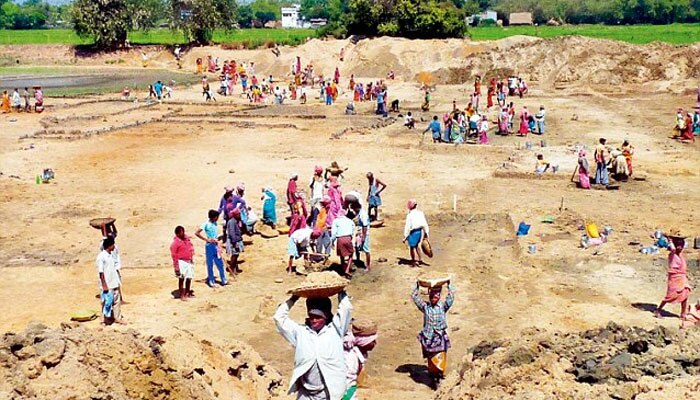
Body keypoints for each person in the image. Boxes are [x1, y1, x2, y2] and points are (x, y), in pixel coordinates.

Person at [274, 291, 352, 400]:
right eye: (311, 316)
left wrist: (340, 292)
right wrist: (293, 299)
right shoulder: (301, 332)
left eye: (318, 317)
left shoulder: (335, 330)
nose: (314, 320)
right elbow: (279, 318)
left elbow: (346, 309)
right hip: (306, 393)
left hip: (329, 392)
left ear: (326, 316)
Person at [412, 281, 455, 387]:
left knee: (441, 356)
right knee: (431, 358)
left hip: (439, 336)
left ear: (439, 297)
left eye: (436, 296)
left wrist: (449, 285)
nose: (433, 298)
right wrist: (417, 286)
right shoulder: (425, 307)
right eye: (431, 296)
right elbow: (414, 297)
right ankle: (433, 376)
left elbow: (451, 297)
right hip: (429, 337)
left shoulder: (442, 307)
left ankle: (439, 375)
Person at [654, 230, 691, 320]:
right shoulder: (672, 254)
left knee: (685, 294)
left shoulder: (680, 255)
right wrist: (670, 240)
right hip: (675, 278)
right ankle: (658, 310)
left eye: (681, 245)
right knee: (670, 296)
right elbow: (673, 248)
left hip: (682, 278)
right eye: (678, 245)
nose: (680, 247)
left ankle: (683, 313)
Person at [343, 320, 378, 400]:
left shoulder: (359, 353)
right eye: (372, 341)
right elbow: (346, 386)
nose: (375, 343)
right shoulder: (350, 358)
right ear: (363, 342)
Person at [195, 210, 228, 288]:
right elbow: (197, 233)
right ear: (214, 217)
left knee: (219, 262)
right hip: (209, 245)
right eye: (217, 217)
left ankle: (224, 280)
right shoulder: (206, 224)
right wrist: (207, 240)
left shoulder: (215, 223)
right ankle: (211, 281)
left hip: (216, 244)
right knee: (210, 264)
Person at [97, 237, 125, 325]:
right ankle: (104, 320)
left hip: (114, 282)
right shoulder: (101, 257)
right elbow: (101, 273)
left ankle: (117, 318)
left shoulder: (111, 255)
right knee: (106, 302)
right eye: (113, 245)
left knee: (116, 302)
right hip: (107, 284)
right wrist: (105, 285)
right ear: (109, 246)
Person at [170, 226, 195, 301]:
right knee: (182, 278)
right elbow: (174, 255)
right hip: (181, 262)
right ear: (177, 234)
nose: (183, 234)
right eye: (181, 233)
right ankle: (182, 294)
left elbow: (190, 248)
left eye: (183, 232)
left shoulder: (187, 239)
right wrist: (176, 267)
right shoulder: (175, 243)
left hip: (189, 261)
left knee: (189, 277)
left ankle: (187, 292)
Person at [403, 199, 429, 267]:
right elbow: (424, 223)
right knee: (417, 246)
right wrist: (426, 232)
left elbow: (407, 226)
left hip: (413, 233)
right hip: (419, 232)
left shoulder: (409, 215)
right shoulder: (420, 213)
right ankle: (420, 259)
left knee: (412, 247)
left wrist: (405, 236)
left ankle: (413, 261)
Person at [332, 209, 356, 278]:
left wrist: (332, 242)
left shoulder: (336, 221)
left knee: (341, 255)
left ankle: (344, 269)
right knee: (351, 254)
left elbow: (334, 233)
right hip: (348, 238)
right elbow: (353, 231)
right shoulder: (350, 221)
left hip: (340, 239)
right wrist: (352, 240)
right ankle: (347, 269)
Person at [226, 209, 244, 275]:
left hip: (236, 240)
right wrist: (235, 243)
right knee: (234, 255)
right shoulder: (231, 222)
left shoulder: (236, 221)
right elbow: (232, 233)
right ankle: (231, 270)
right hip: (233, 241)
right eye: (238, 214)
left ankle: (234, 269)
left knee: (236, 255)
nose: (239, 215)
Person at [355, 206, 372, 272]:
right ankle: (358, 260)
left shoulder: (363, 215)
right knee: (356, 247)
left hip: (364, 234)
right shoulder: (360, 213)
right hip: (360, 233)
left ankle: (368, 266)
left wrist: (364, 236)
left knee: (366, 250)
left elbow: (365, 226)